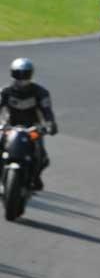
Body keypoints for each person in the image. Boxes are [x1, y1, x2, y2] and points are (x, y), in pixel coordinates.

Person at [0, 58, 58, 191]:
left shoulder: (40, 92)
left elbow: (47, 111)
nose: (21, 78)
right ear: (12, 74)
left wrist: (50, 124)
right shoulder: (5, 92)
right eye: (18, 74)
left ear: (30, 75)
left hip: (33, 128)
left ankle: (35, 177)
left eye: (25, 74)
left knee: (41, 156)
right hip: (10, 127)